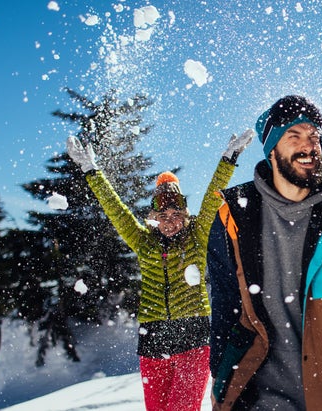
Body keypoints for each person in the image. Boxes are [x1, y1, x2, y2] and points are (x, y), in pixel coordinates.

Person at [206, 95, 322, 411]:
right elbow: (225, 305)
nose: (308, 147)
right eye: (294, 136)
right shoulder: (234, 215)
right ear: (272, 149)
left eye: (314, 137)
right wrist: (220, 378)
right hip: (255, 393)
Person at [66, 130, 253, 411]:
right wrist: (91, 170)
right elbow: (116, 210)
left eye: (176, 215)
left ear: (185, 215)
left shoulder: (197, 237)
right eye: (163, 216)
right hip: (153, 342)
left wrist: (229, 158)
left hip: (193, 339)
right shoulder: (144, 243)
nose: (171, 222)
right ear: (154, 219)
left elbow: (213, 198)